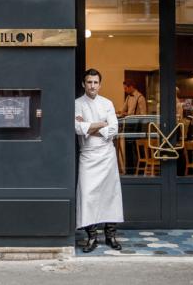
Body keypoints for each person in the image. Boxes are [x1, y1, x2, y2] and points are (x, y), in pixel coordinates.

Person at [75, 68, 123, 252]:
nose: (92, 85)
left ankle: (111, 236)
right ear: (83, 84)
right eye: (89, 82)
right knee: (88, 195)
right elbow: (78, 128)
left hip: (107, 155)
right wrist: (102, 124)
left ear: (100, 84)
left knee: (110, 195)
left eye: (95, 82)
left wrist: (91, 127)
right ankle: (92, 238)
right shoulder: (77, 104)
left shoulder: (107, 103)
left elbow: (114, 130)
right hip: (88, 154)